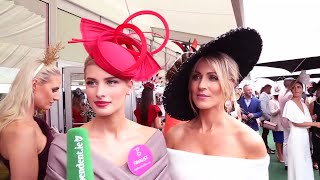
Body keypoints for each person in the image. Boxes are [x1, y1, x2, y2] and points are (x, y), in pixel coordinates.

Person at [45, 10, 171, 179]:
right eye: (91, 82)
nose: (100, 92)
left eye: (111, 82)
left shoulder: (153, 141)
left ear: (129, 86)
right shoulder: (65, 147)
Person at [163, 28, 269, 180]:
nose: (201, 85)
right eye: (196, 77)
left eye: (213, 77)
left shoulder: (249, 141)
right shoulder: (175, 136)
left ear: (231, 83)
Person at [0, 44, 62, 180]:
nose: (57, 97)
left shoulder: (32, 122)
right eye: (54, 89)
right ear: (34, 85)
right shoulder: (21, 130)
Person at [283, 80, 320, 180]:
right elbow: (296, 123)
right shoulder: (289, 104)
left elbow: (305, 121)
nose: (296, 89)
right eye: (293, 87)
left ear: (302, 89)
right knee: (297, 164)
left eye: (298, 87)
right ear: (291, 90)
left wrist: (313, 117)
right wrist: (315, 124)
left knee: (305, 162)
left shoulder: (303, 104)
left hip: (304, 137)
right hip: (295, 138)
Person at [278, 77, 295, 170]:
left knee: (286, 142)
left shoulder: (281, 93)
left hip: (283, 120)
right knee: (292, 142)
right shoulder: (289, 94)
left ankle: (287, 163)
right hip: (290, 120)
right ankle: (290, 162)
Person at [269, 86, 284, 162]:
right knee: (278, 141)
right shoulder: (271, 101)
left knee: (283, 140)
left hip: (283, 123)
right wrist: (279, 109)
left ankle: (282, 155)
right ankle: (279, 155)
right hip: (276, 124)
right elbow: (272, 113)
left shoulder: (281, 101)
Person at [259, 84, 275, 154]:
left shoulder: (265, 96)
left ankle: (266, 147)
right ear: (267, 88)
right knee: (265, 134)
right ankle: (265, 148)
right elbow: (263, 109)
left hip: (265, 117)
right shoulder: (263, 97)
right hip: (265, 118)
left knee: (266, 133)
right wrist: (268, 118)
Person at [309, 80, 320, 172]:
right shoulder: (314, 102)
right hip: (317, 130)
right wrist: (312, 117)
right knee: (316, 148)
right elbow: (309, 116)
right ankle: (315, 161)